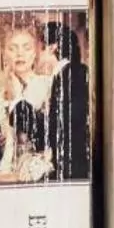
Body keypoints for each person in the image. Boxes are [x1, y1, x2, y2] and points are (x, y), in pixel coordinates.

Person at [0, 22, 52, 180]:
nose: (20, 54)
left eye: (26, 48)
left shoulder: (48, 86)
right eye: (12, 48)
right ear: (4, 52)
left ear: (35, 52)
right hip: (5, 173)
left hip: (40, 173)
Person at [41, 19, 91, 181]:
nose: (37, 56)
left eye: (40, 49)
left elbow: (68, 123)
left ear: (52, 47)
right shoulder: (67, 74)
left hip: (75, 166)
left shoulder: (72, 75)